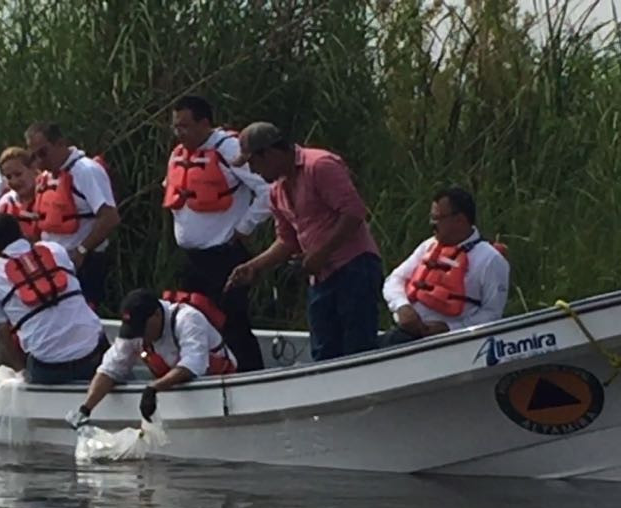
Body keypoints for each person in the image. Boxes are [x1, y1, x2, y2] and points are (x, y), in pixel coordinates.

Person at [225, 122, 383, 360]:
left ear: (270, 153)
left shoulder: (319, 165)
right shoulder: (277, 191)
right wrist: (254, 266)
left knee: (358, 347)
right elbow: (287, 241)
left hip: (354, 266)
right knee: (324, 351)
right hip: (321, 276)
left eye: (253, 162)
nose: (253, 171)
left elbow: (353, 212)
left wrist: (320, 253)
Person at [164, 95, 271, 372]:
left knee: (232, 322)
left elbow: (268, 190)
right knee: (191, 321)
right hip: (191, 258)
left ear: (204, 123)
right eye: (176, 126)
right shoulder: (178, 154)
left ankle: (251, 376)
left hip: (224, 255)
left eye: (185, 126)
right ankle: (204, 374)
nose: (179, 133)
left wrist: (245, 226)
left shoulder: (229, 149)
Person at [70, 289, 236, 426]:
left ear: (157, 315)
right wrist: (86, 408)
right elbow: (110, 369)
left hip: (218, 386)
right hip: (174, 390)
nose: (139, 336)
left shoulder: (188, 319)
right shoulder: (136, 334)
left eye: (142, 328)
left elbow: (194, 364)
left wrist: (153, 388)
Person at [0, 213, 106, 384]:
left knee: (5, 352)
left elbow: (3, 332)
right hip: (94, 355)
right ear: (22, 233)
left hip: (48, 369)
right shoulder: (54, 249)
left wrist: (21, 372)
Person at [381, 188, 509, 346]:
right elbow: (394, 280)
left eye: (437, 218)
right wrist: (402, 306)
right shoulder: (428, 246)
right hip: (405, 335)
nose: (432, 224)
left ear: (460, 220)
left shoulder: (491, 260)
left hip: (454, 343)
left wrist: (450, 328)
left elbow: (493, 314)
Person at [25, 122, 120, 307]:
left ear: (60, 143)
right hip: (51, 265)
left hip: (84, 263)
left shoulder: (86, 171)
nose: (39, 161)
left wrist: (82, 251)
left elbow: (110, 217)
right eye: (34, 156)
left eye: (43, 153)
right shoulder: (46, 177)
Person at [0, 146, 41, 240]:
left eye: (18, 174)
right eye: (8, 177)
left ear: (33, 169)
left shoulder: (48, 196)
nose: (14, 181)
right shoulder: (6, 204)